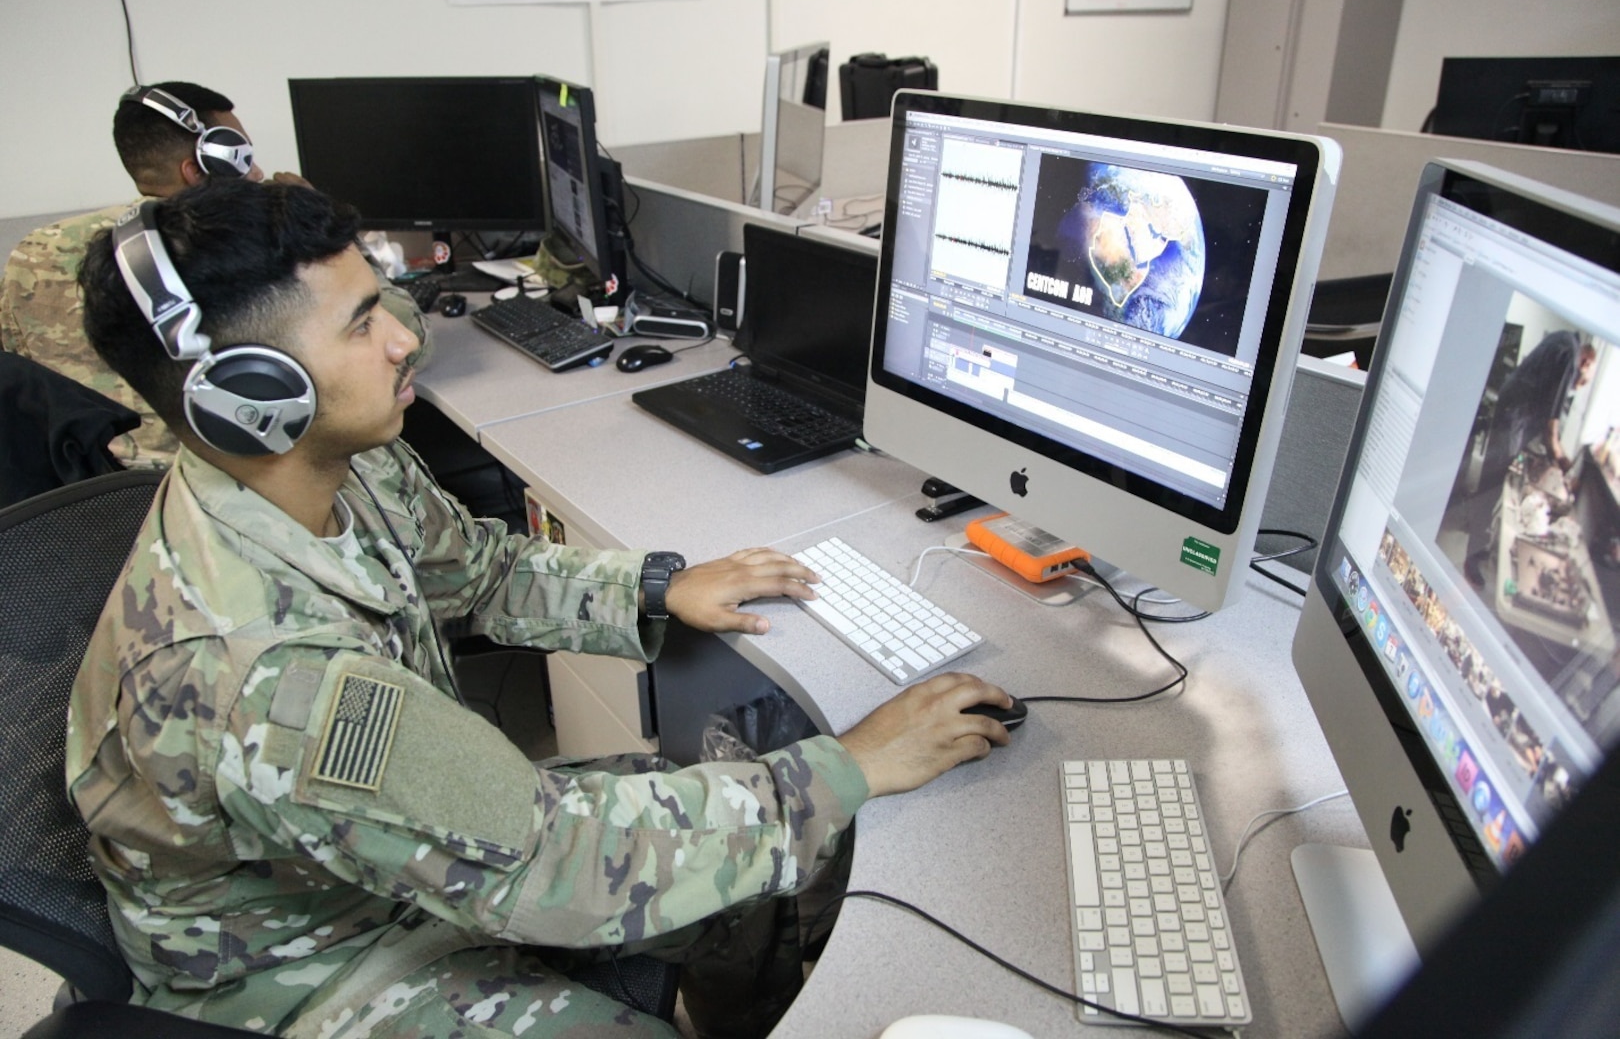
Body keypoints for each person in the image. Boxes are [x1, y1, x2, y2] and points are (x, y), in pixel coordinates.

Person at [67, 178, 1015, 1038]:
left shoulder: (335, 459)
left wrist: (655, 587)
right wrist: (855, 763)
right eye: (360, 324)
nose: (404, 337)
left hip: (390, 861)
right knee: (770, 810)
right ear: (247, 397)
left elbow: (473, 571)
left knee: (749, 823)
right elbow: (554, 863)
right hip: (312, 960)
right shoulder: (268, 675)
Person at [0, 81, 428, 471]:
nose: (257, 172)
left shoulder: (39, 250)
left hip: (96, 490)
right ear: (200, 167)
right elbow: (407, 342)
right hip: (248, 472)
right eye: (242, 155)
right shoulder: (242, 254)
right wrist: (325, 233)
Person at [1462, 330, 1597, 586]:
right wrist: (1566, 465)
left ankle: (1478, 550)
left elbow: (1545, 405)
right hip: (1513, 417)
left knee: (1498, 483)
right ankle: (1471, 558)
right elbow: (1551, 427)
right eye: (1580, 382)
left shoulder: (1563, 341)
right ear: (1586, 363)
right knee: (1492, 487)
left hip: (1515, 415)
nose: (1576, 386)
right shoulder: (1569, 354)